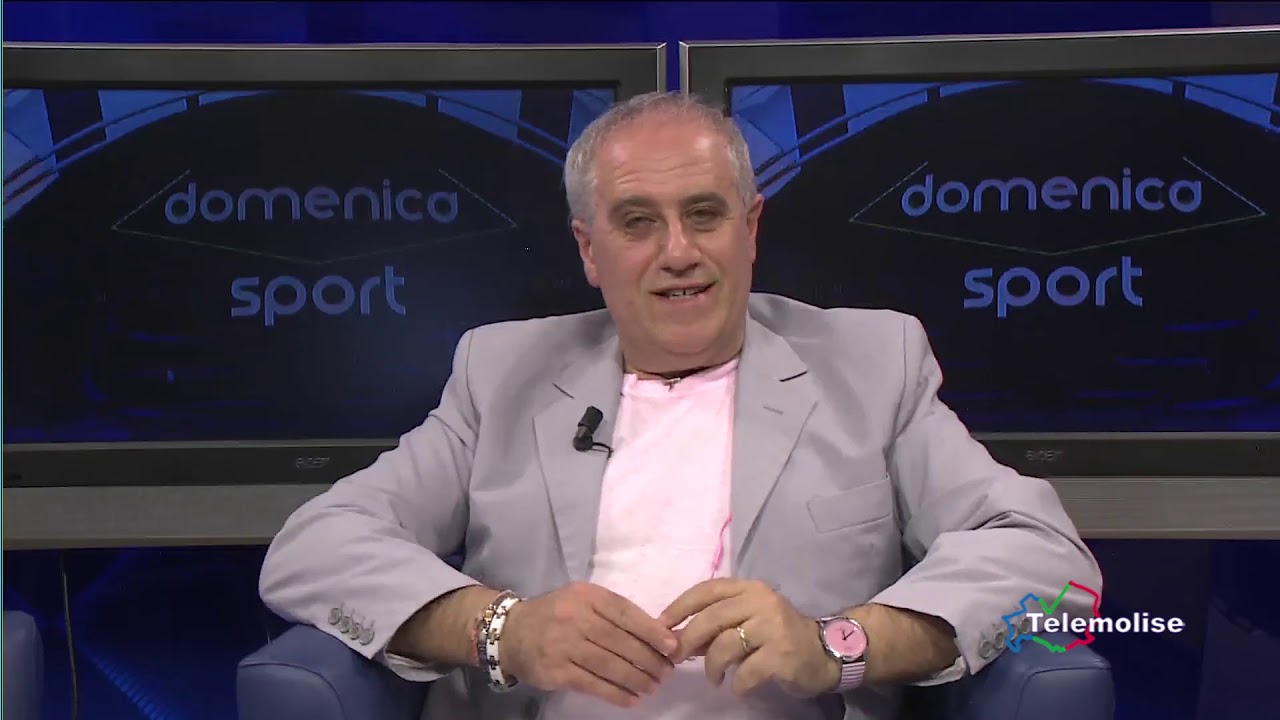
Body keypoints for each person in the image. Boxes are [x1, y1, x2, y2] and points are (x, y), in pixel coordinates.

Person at [259, 91, 1102, 720]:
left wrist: (838, 644)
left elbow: (1055, 573)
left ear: (751, 228)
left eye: (704, 214)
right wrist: (500, 629)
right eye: (637, 222)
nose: (679, 252)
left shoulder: (873, 366)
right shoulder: (502, 372)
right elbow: (313, 549)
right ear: (590, 250)